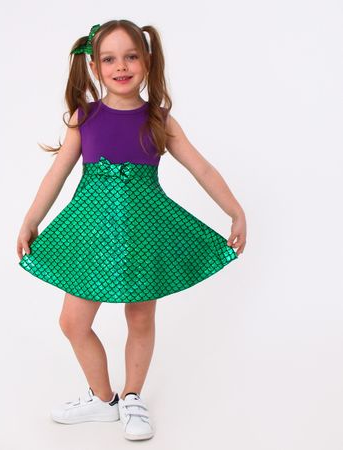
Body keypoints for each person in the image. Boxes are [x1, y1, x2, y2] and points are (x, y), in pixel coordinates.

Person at [16, 19, 246, 441]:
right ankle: (103, 400)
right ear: (94, 66)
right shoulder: (84, 118)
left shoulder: (159, 120)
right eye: (109, 59)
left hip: (144, 233)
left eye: (130, 56)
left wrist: (235, 211)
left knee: (140, 317)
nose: (120, 66)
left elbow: (201, 168)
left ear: (147, 62)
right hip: (91, 235)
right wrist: (31, 220)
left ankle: (133, 396)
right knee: (72, 322)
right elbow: (57, 173)